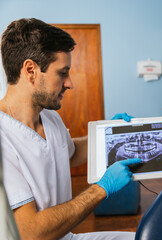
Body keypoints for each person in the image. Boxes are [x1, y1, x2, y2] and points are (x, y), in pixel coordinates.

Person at [0, 18, 141, 240]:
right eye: (62, 73)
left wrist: (106, 134)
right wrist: (101, 189)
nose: (70, 83)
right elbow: (29, 232)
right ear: (31, 71)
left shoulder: (50, 117)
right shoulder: (3, 137)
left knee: (144, 237)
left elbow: (69, 152)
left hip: (65, 237)